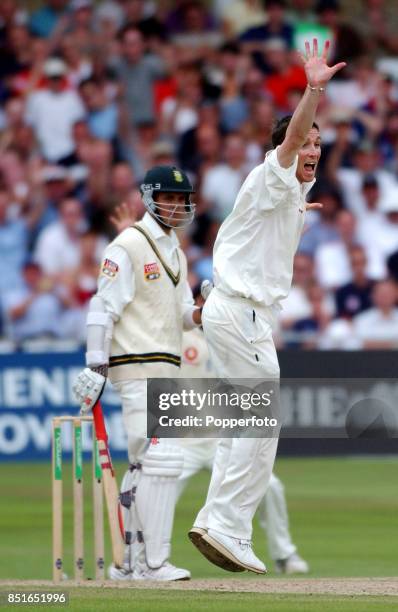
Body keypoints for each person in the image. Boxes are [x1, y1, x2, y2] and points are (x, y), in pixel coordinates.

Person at [188, 39, 346, 574]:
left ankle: (215, 520)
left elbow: (242, 245)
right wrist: (314, 89)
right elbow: (294, 136)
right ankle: (228, 527)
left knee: (243, 422)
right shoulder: (270, 174)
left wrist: (205, 302)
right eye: (306, 144)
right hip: (240, 315)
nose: (312, 150)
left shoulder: (286, 196)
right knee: (261, 421)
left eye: (319, 146)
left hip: (230, 309)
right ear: (284, 147)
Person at [73, 165, 202, 581]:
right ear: (150, 198)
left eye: (182, 199)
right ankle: (153, 563)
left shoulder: (175, 251)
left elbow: (182, 315)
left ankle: (126, 563)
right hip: (135, 365)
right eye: (168, 197)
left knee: (148, 465)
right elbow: (102, 307)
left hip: (166, 366)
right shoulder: (127, 244)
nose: (177, 205)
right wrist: (95, 364)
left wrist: (205, 311)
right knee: (161, 459)